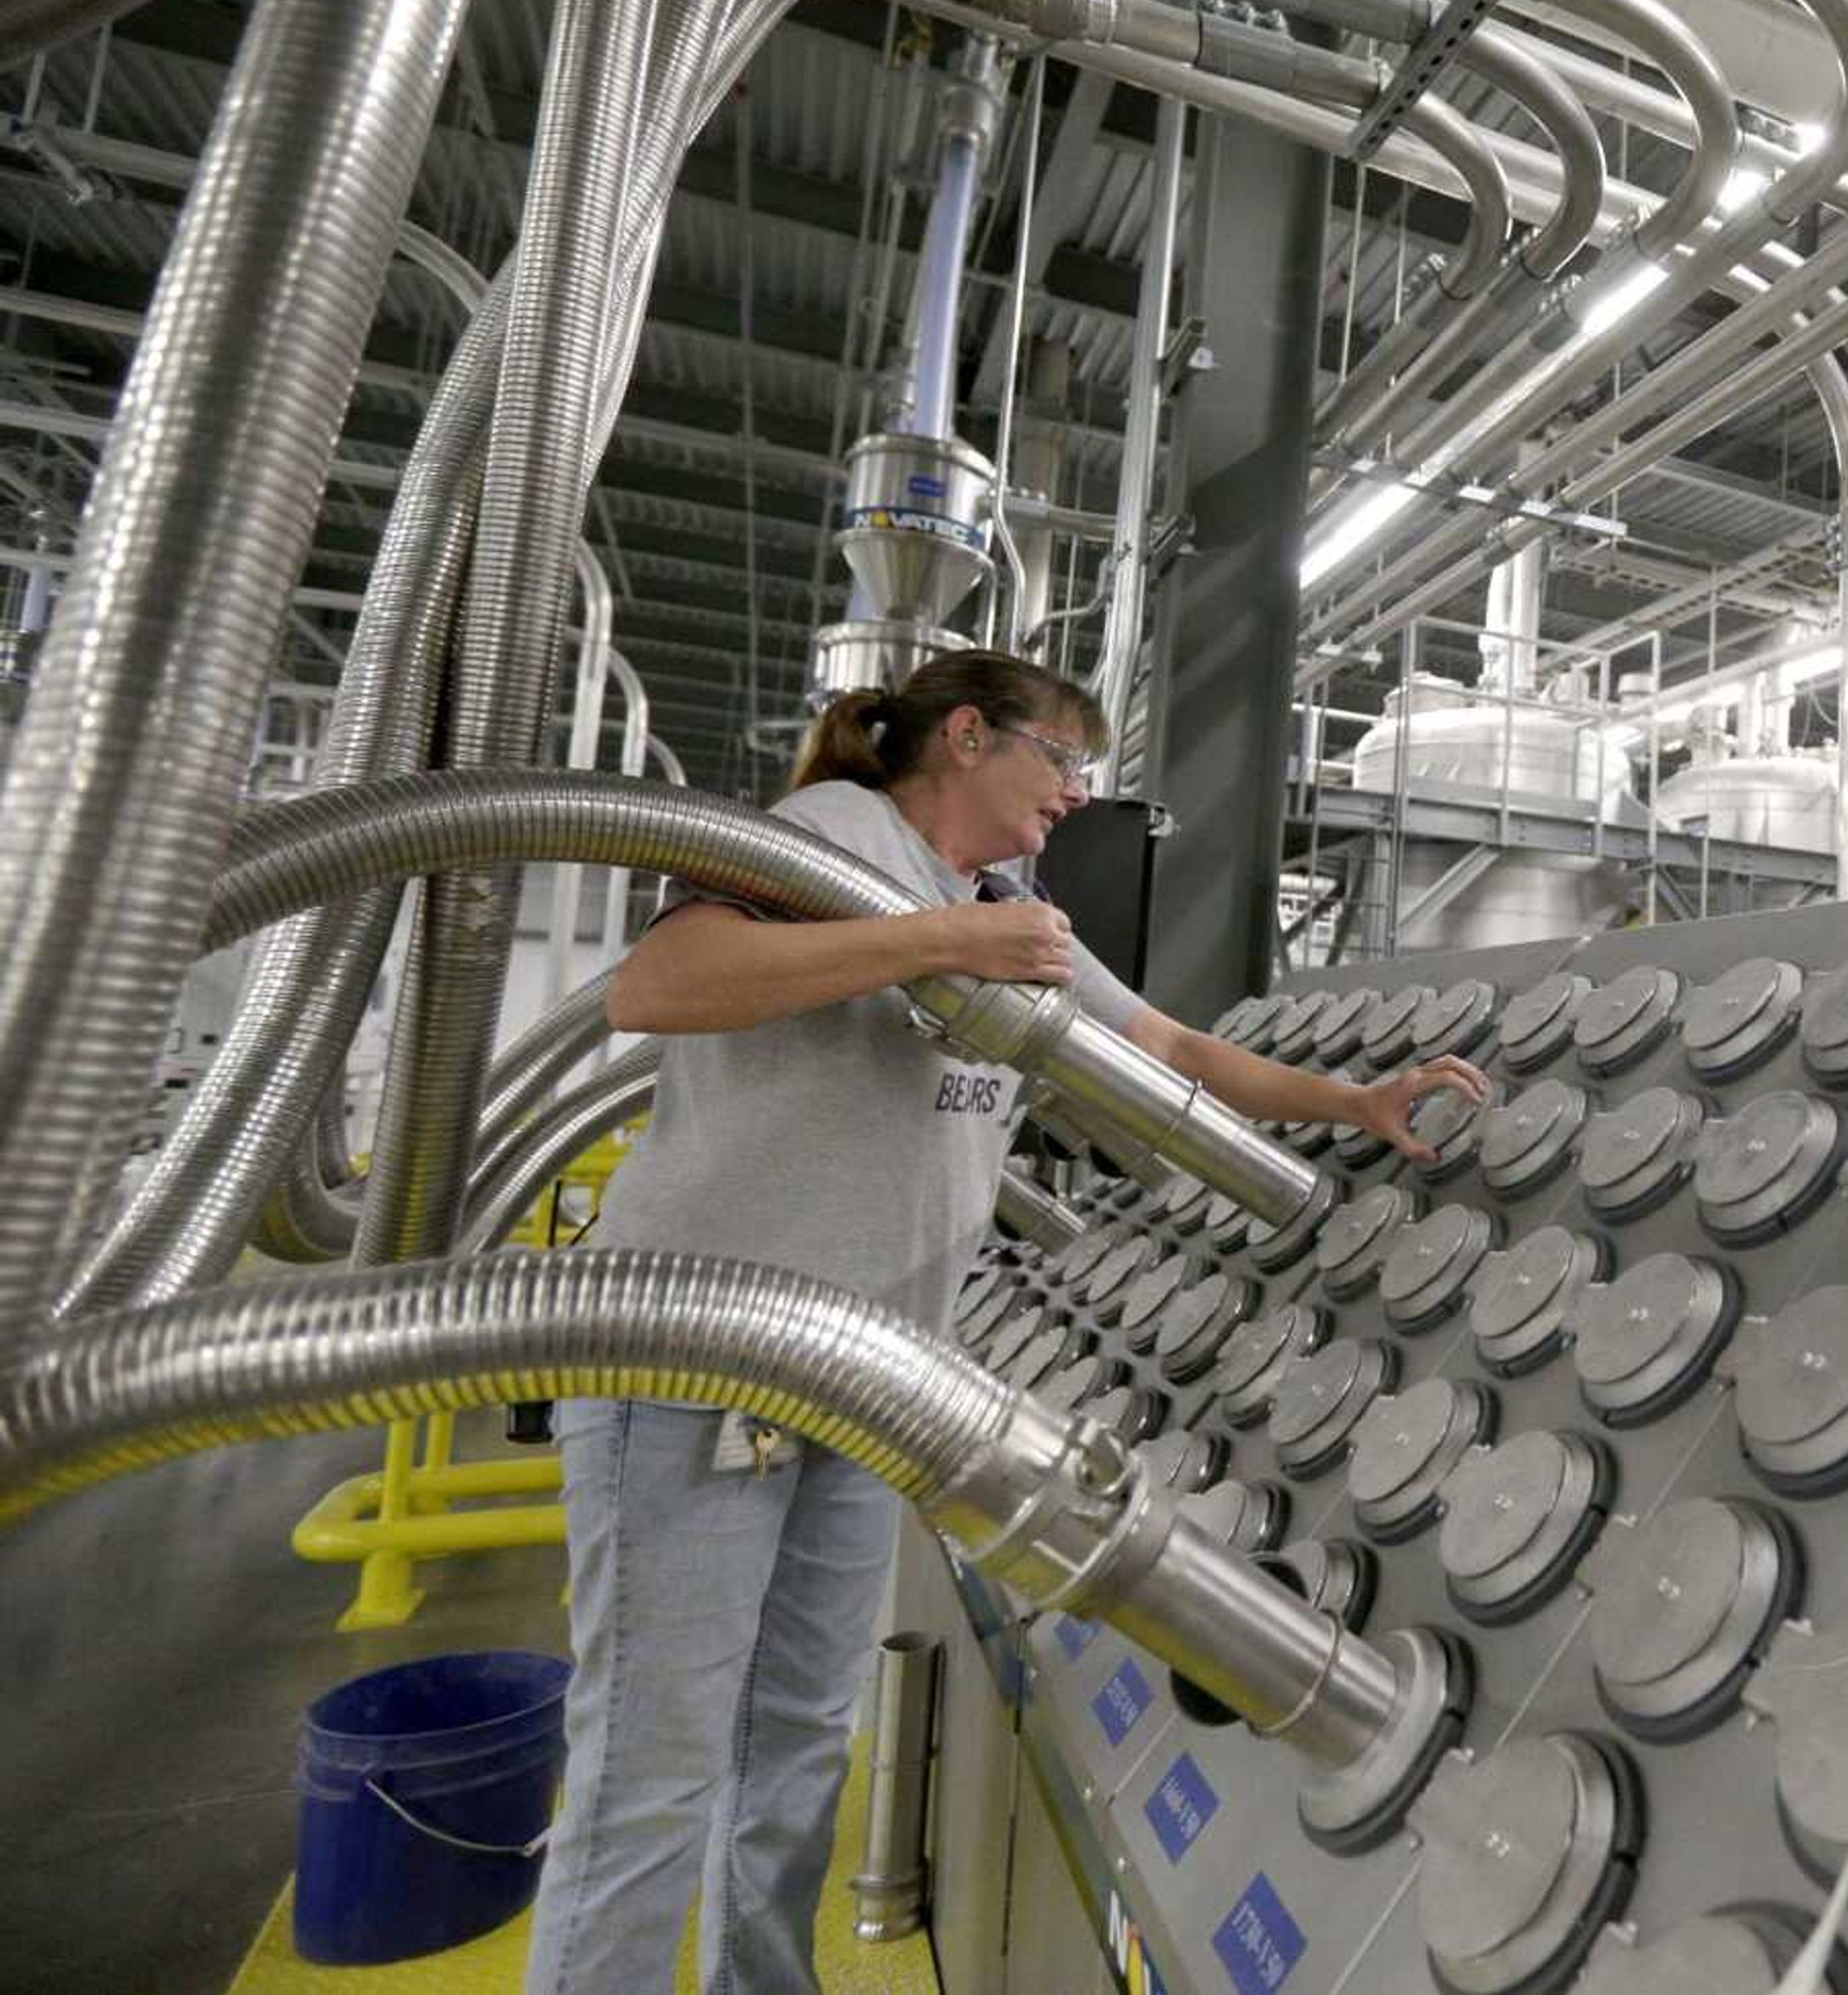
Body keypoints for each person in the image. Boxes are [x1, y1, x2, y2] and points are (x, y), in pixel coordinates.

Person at [522, 647, 1485, 1995]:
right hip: (698, 1361)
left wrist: (1355, 1099)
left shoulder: (1004, 903)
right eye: (1061, 760)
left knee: (797, 1746)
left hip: (868, 1383)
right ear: (969, 738)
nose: (1074, 797)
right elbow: (659, 986)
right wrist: (940, 945)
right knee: (652, 1770)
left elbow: (1167, 1049)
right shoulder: (841, 834)